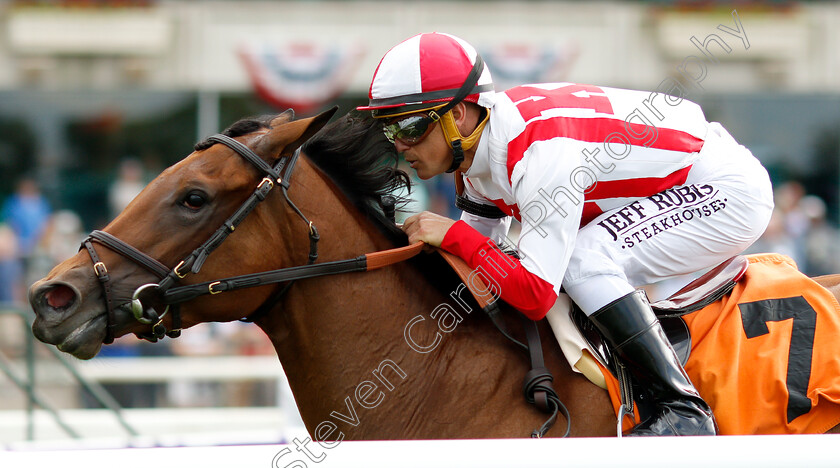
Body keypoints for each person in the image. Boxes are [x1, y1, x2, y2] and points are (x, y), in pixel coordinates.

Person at [358, 32, 774, 436]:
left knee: (584, 259)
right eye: (388, 129)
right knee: (569, 256)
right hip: (679, 179)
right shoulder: (475, 154)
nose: (399, 144)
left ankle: (683, 410)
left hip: (725, 188)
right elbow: (473, 269)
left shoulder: (539, 156)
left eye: (409, 126)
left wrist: (451, 235)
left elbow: (536, 294)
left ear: (459, 115)